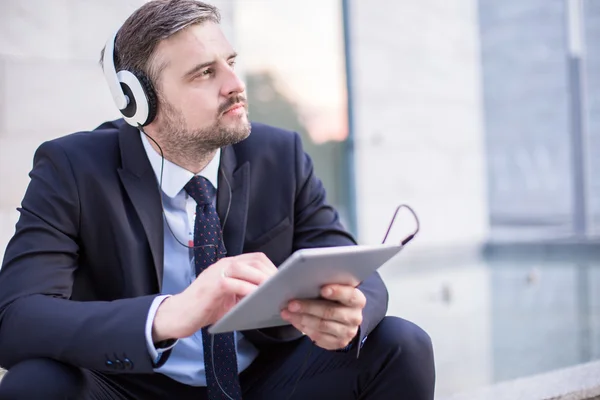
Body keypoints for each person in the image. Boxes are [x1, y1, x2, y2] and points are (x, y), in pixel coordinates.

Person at [0, 1, 435, 399]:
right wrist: (167, 315)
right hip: (132, 387)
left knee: (401, 344)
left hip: (263, 380)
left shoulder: (278, 153)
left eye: (229, 62)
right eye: (204, 73)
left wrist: (348, 310)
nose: (235, 85)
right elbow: (16, 318)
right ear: (139, 101)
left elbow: (347, 260)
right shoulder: (72, 168)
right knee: (35, 383)